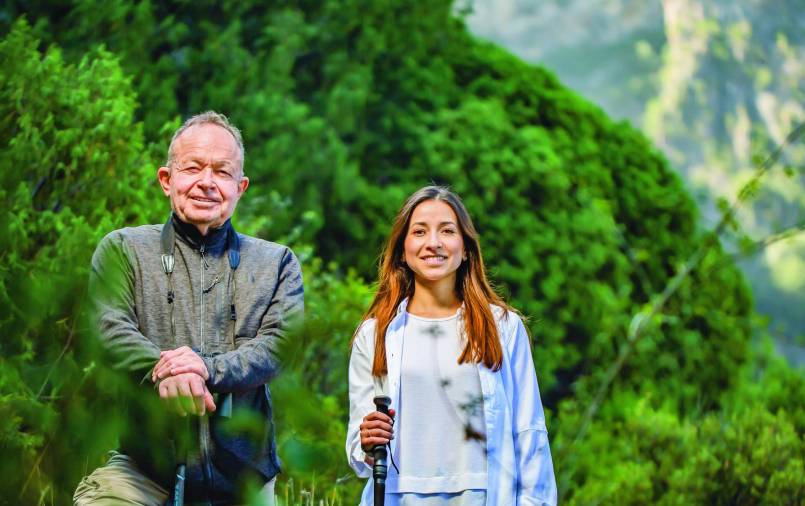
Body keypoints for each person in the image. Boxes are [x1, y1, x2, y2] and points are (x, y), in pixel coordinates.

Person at [73, 111, 304, 505]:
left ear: (240, 186)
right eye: (193, 167)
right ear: (167, 179)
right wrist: (161, 370)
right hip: (143, 471)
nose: (206, 182)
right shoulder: (123, 249)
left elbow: (281, 345)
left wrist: (206, 369)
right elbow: (108, 326)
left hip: (245, 480)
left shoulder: (277, 261)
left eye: (222, 172)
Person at [346, 186, 557, 505]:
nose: (433, 243)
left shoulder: (502, 327)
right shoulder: (374, 333)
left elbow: (528, 431)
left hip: (483, 496)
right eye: (419, 231)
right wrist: (366, 440)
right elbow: (357, 448)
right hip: (397, 497)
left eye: (447, 230)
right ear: (403, 249)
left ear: (467, 248)